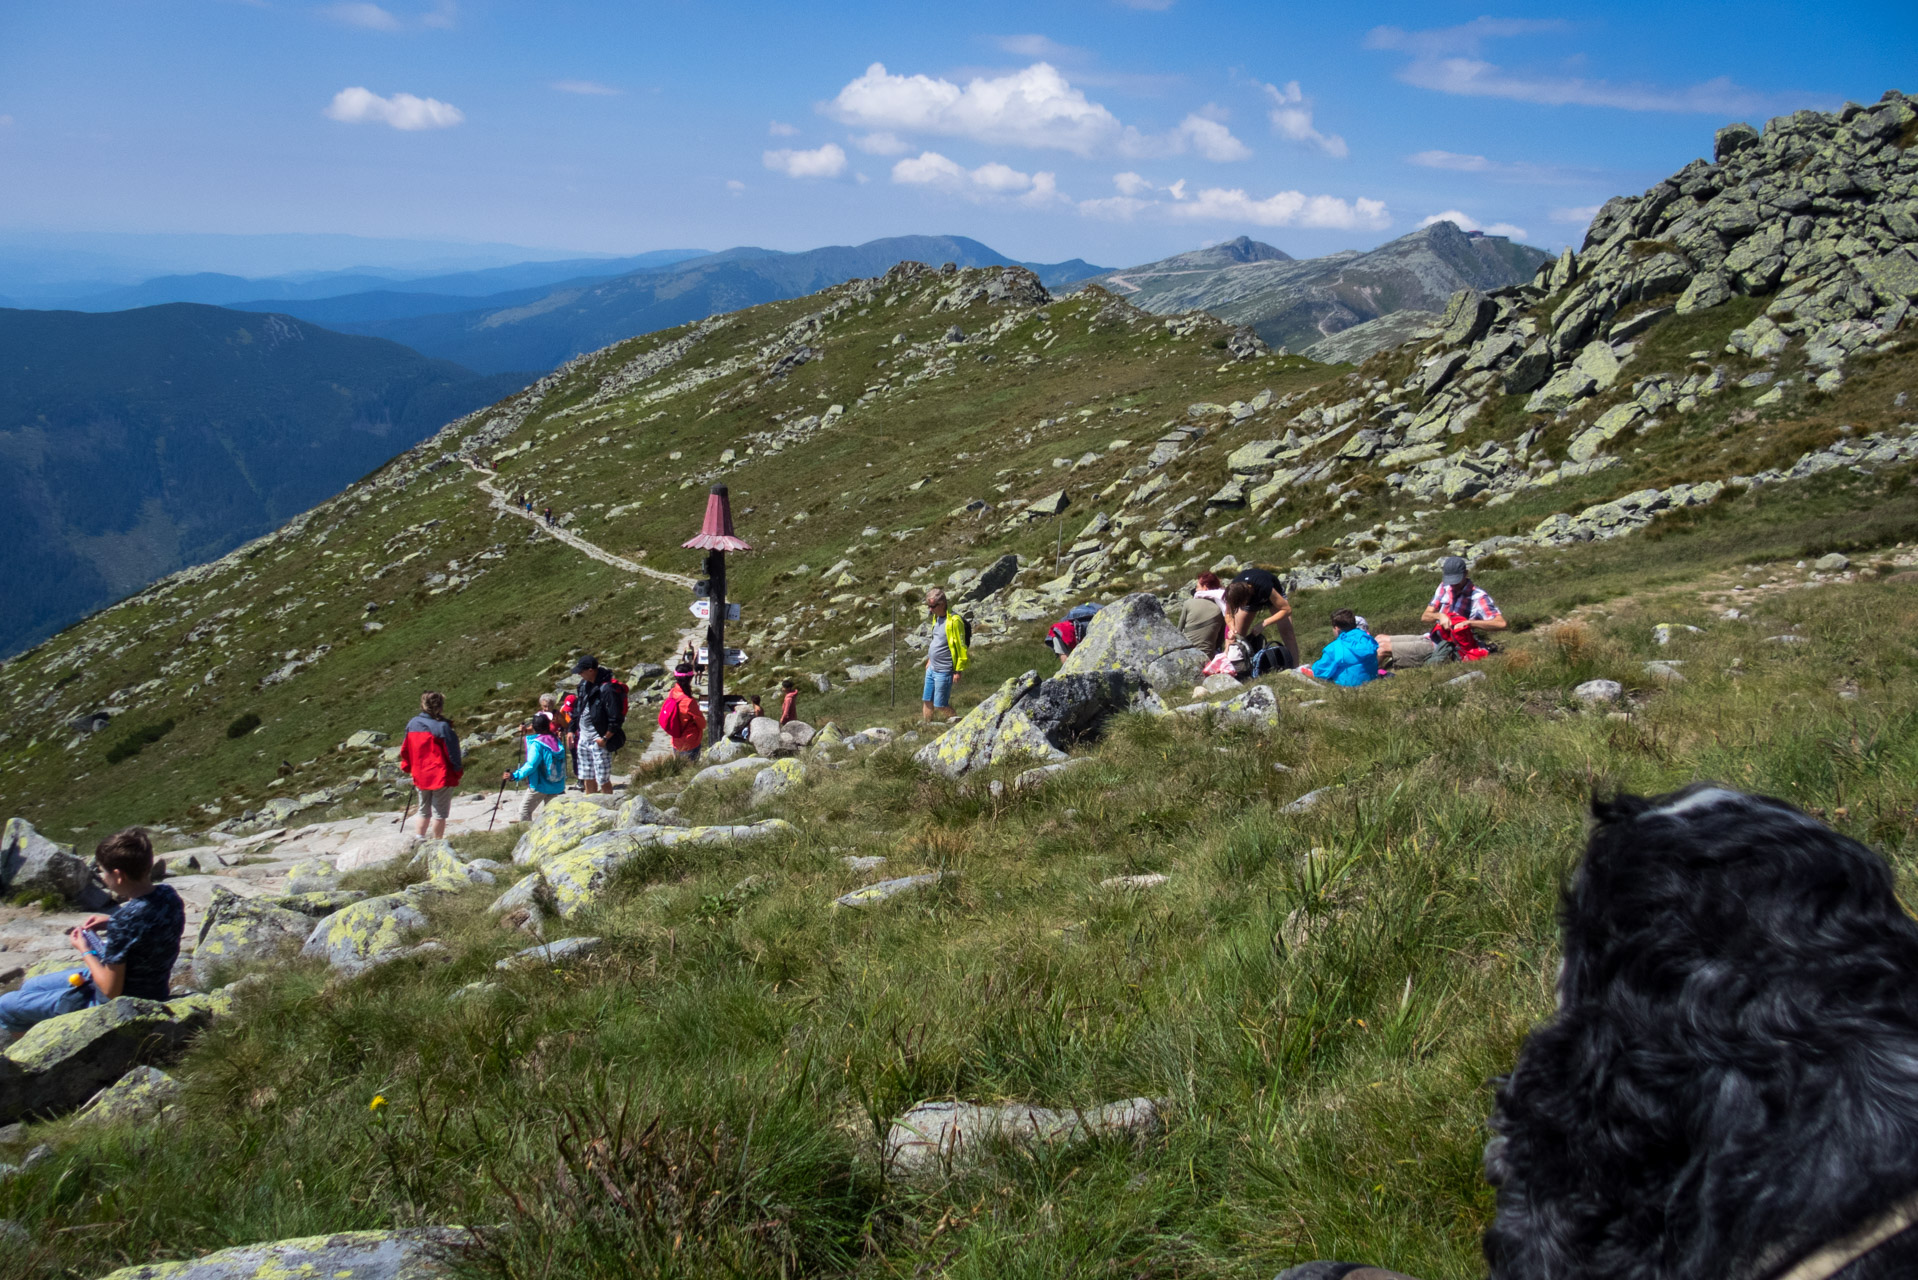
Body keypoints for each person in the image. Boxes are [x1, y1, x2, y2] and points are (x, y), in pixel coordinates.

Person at [0, 828, 185, 1044]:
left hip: (123, 1000)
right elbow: (148, 924)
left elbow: (110, 990)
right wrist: (110, 921)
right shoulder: (168, 894)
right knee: (32, 986)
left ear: (118, 875)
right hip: (153, 984)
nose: (101, 877)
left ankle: (29, 1052)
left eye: (102, 871)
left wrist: (85, 949)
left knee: (5, 1005)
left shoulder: (125, 922)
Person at [1416, 555, 1507, 662]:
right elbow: (1424, 617)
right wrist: (1440, 616)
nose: (1453, 584)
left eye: (1456, 580)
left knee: (1390, 646)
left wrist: (1470, 623)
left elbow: (1501, 623)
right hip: (1431, 637)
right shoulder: (1444, 587)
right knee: (1390, 639)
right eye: (1450, 580)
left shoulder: (1478, 597)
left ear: (1466, 574)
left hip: (1447, 645)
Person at [399, 691, 462, 838]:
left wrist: (408, 767)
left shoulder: (412, 724)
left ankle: (419, 838)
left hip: (420, 775)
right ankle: (437, 843)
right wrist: (457, 770)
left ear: (422, 704)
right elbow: (453, 753)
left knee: (423, 809)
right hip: (440, 774)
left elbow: (406, 749)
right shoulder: (442, 727)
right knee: (439, 812)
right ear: (440, 706)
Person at [570, 655, 623, 795]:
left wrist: (605, 738)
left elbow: (616, 717)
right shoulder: (583, 685)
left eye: (581, 671)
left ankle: (608, 805)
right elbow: (577, 709)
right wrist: (571, 729)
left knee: (603, 778)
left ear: (591, 670)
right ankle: (591, 805)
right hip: (583, 738)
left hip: (599, 740)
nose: (579, 674)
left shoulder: (607, 689)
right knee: (587, 776)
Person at [503, 712, 567, 823]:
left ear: (534, 727)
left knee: (524, 811)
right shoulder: (555, 739)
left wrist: (514, 776)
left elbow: (531, 765)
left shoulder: (537, 744)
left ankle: (528, 837)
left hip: (540, 785)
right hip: (557, 784)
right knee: (551, 812)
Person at [1232, 565, 1298, 671]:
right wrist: (1231, 629)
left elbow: (1286, 610)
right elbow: (1228, 615)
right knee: (1238, 636)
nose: (1241, 606)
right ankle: (1240, 669)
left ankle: (1295, 668)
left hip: (1270, 596)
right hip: (1248, 595)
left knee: (1287, 633)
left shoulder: (1264, 586)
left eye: (1242, 603)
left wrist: (1264, 623)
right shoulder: (1233, 590)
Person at [921, 587, 970, 722]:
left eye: (932, 606)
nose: (930, 609)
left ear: (942, 604)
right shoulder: (936, 617)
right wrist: (930, 659)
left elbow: (961, 646)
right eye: (929, 606)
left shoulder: (954, 621)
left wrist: (958, 671)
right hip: (932, 668)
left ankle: (958, 724)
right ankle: (926, 727)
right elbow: (936, 640)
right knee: (927, 699)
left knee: (940, 704)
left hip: (944, 670)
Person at [1301, 608, 1381, 687]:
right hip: (1371, 680)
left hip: (1347, 685)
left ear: (1336, 628)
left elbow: (1320, 671)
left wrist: (1312, 668)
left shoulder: (1335, 647)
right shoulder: (1367, 639)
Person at [660, 661, 707, 761]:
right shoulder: (689, 702)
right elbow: (702, 724)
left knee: (680, 768)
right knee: (690, 769)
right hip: (690, 742)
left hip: (676, 741)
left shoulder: (672, 692)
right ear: (690, 678)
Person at [1179, 572, 1227, 657]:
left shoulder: (1188, 603)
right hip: (1207, 656)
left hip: (1186, 654)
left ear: (1205, 587)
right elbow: (1219, 641)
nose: (1196, 590)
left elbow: (1178, 631)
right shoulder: (1222, 609)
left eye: (1197, 587)